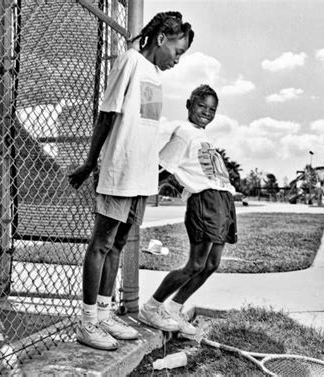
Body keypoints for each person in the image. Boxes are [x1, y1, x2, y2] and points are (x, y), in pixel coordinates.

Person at [68, 11, 194, 351]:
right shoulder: (130, 61)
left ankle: (106, 314)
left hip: (141, 175)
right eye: (177, 51)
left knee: (119, 245)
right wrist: (90, 163)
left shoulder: (154, 74)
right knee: (102, 243)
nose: (177, 60)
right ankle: (88, 321)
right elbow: (107, 114)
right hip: (119, 170)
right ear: (161, 39)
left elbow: (146, 125)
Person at [138, 85, 237, 336]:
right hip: (205, 203)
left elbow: (200, 171)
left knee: (212, 264)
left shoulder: (202, 136)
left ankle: (174, 308)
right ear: (188, 104)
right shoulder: (184, 132)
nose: (206, 112)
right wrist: (141, 193)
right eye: (201, 106)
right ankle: (152, 307)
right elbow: (164, 168)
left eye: (212, 109)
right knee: (195, 264)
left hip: (222, 202)